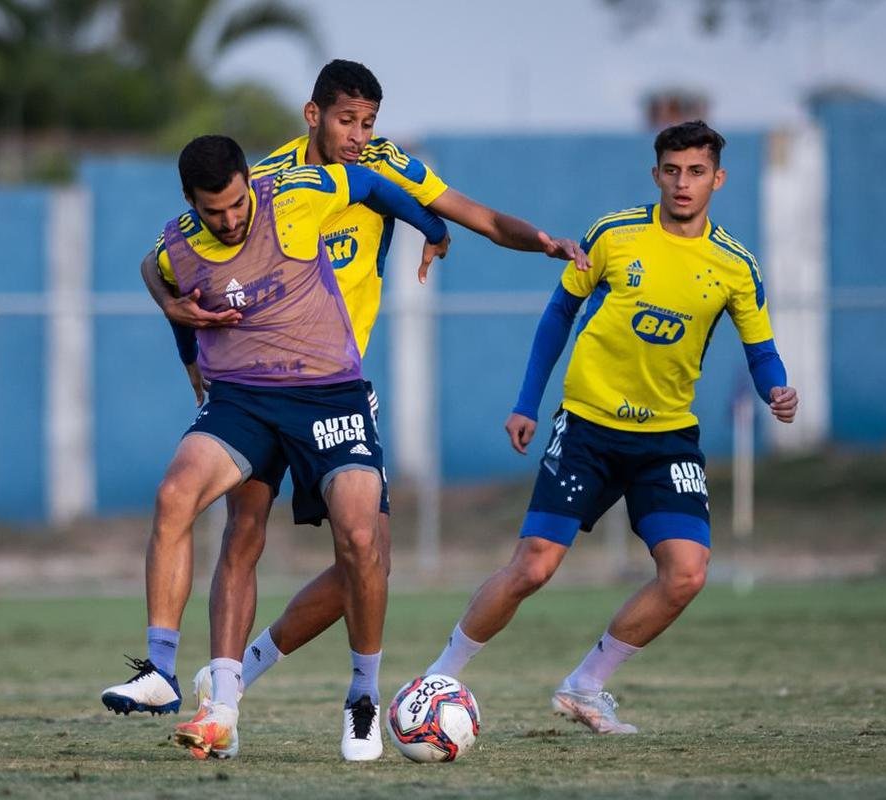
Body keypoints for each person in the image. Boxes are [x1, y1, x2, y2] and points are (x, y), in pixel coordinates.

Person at [164, 58, 589, 756]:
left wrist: (537, 240)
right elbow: (180, 260)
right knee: (242, 533)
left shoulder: (386, 165)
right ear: (313, 115)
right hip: (259, 385)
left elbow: (474, 213)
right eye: (345, 120)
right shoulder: (263, 183)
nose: (359, 134)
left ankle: (305, 686)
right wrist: (191, 354)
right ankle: (226, 696)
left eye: (368, 122)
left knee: (367, 553)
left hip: (337, 389)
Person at [422, 120, 799, 734]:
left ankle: (585, 686)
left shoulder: (735, 265)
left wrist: (776, 389)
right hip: (589, 427)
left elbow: (761, 350)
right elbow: (558, 316)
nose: (683, 183)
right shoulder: (614, 234)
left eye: (696, 172)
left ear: (717, 179)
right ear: (656, 174)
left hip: (668, 436)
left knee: (687, 573)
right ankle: (439, 676)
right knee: (534, 567)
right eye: (672, 170)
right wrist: (526, 403)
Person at [99, 134, 450, 761]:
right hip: (243, 400)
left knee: (362, 541)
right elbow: (157, 272)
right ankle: (168, 675)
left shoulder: (294, 195)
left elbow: (368, 185)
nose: (231, 221)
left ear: (247, 184)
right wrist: (186, 344)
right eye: (215, 212)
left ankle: (363, 696)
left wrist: (431, 226)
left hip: (329, 395)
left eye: (237, 205)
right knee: (180, 497)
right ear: (191, 203)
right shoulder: (179, 241)